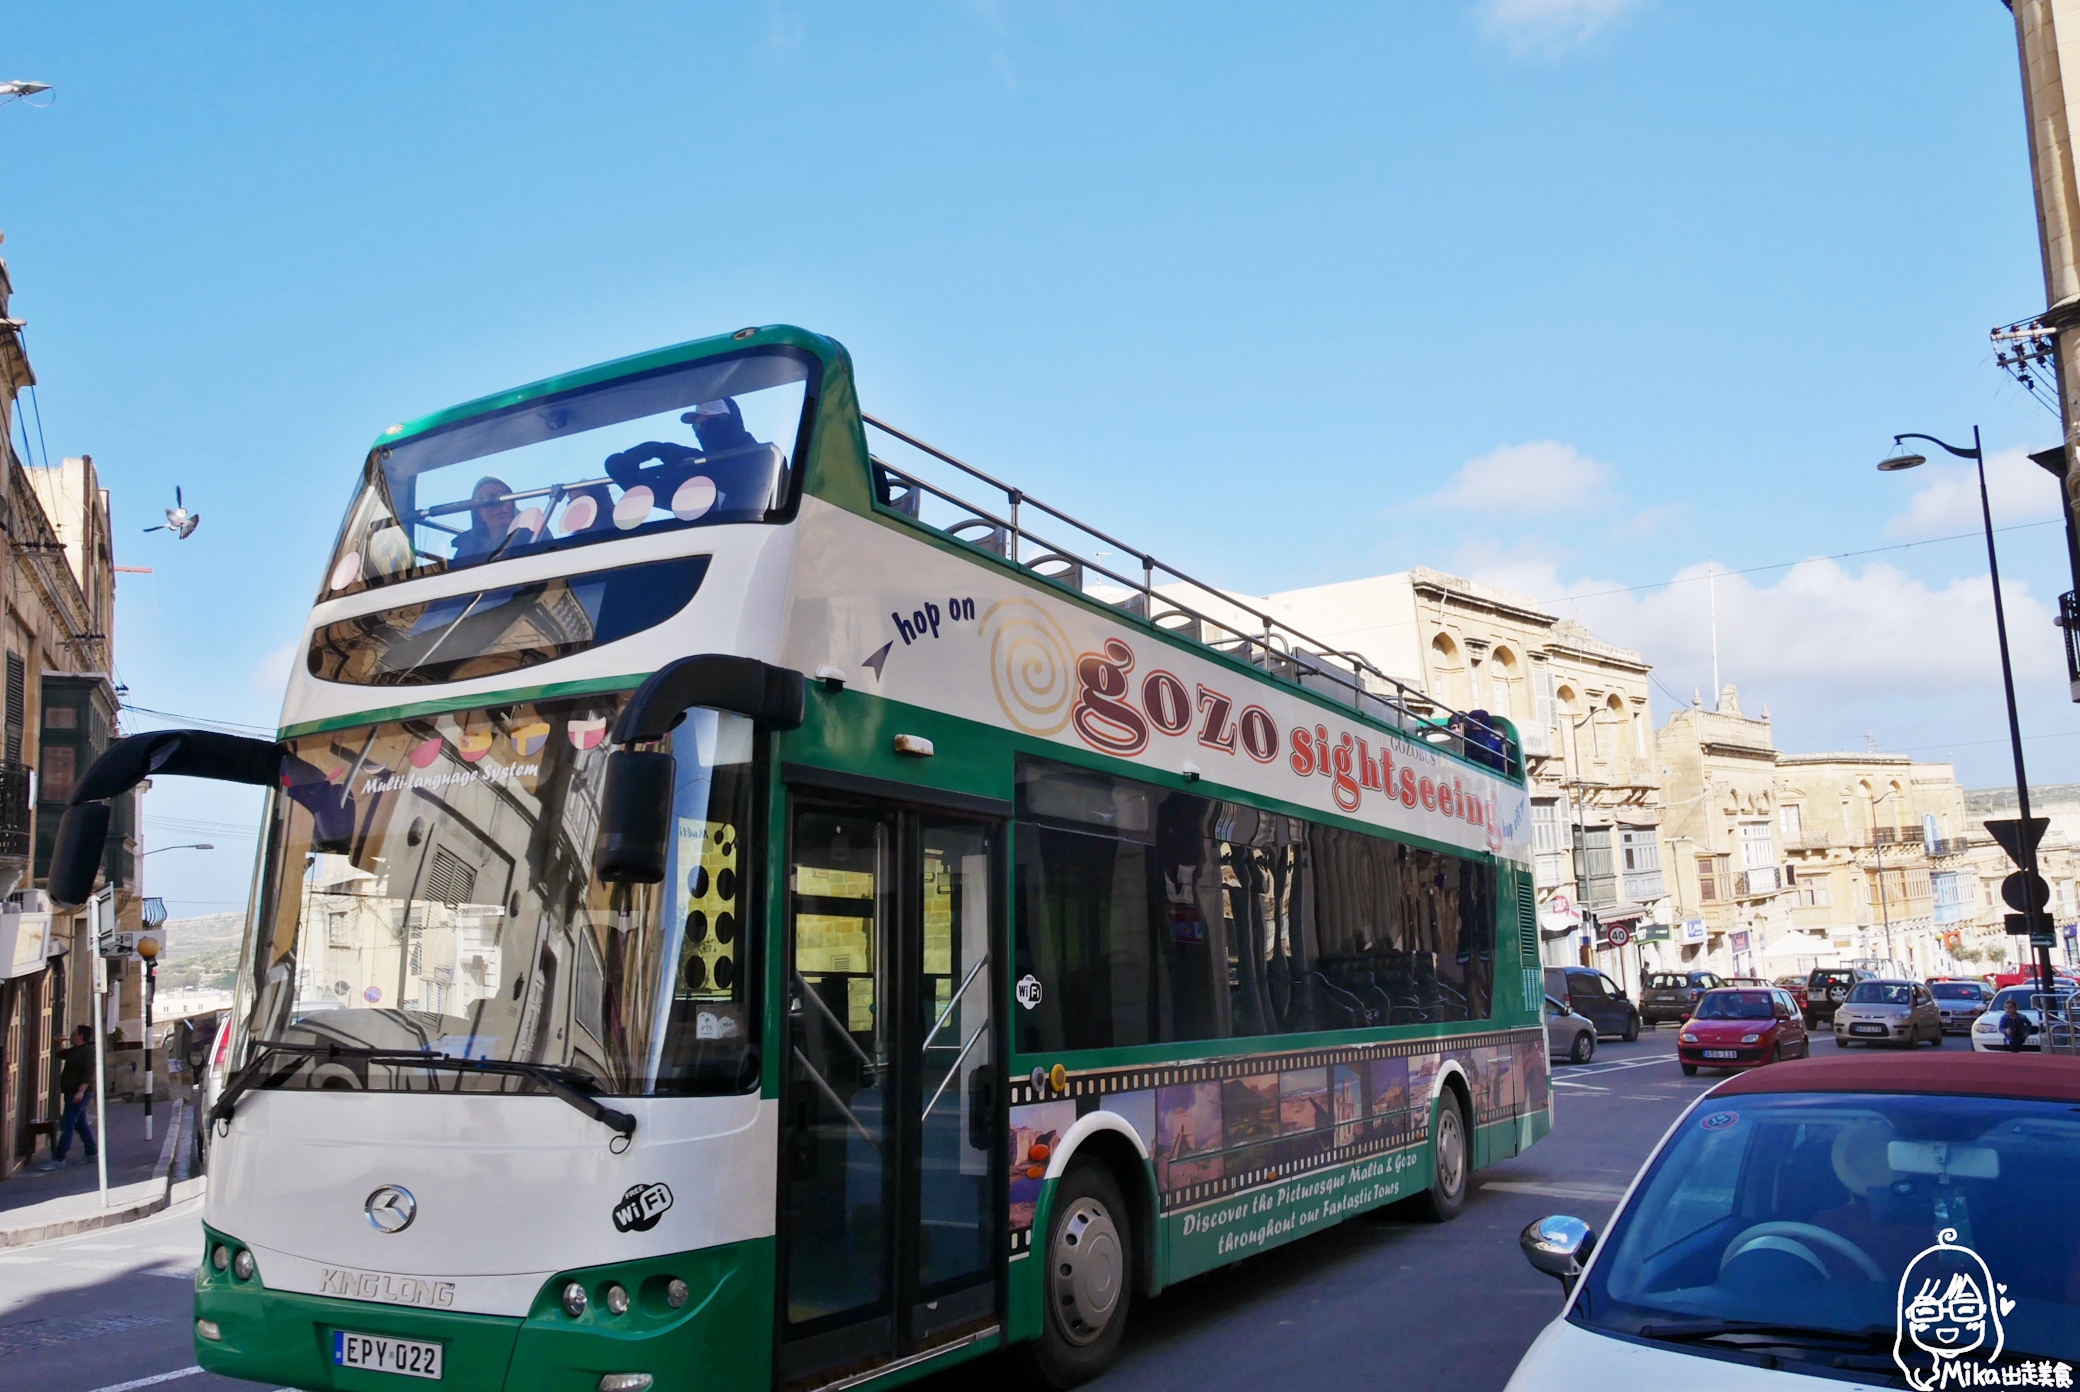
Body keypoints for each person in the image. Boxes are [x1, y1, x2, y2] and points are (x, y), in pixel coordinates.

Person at [39, 1024, 98, 1169]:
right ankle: (91, 1152)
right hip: (71, 1092)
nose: (71, 1035)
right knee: (80, 1123)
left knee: (68, 1124)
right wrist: (58, 1044)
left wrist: (80, 1092)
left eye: (74, 1033)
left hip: (79, 1093)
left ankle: (59, 1158)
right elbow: (61, 1054)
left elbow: (89, 1074)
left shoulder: (88, 1051)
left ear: (81, 1035)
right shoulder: (75, 1050)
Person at [450, 475, 517, 562]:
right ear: (478, 512)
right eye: (489, 500)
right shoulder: (465, 552)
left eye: (505, 497)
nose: (501, 505)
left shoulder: (533, 537)